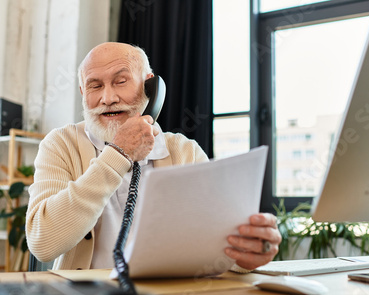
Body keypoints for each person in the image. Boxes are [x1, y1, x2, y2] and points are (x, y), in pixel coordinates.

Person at [26, 42, 281, 272]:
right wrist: (117, 155)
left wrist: (246, 254)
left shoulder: (184, 151)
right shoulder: (60, 144)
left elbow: (220, 241)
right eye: (95, 86)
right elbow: (43, 242)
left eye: (120, 81)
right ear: (83, 92)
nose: (108, 98)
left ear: (151, 87)